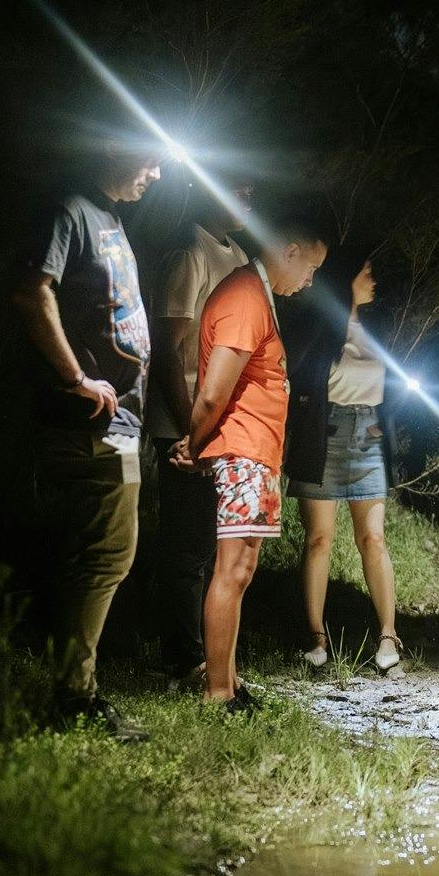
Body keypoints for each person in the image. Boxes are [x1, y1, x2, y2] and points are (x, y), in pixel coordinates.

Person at [10, 137, 161, 742]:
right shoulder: (71, 210)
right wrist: (75, 376)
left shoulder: (112, 219)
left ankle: (73, 687)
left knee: (102, 552)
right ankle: (73, 697)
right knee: (106, 552)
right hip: (90, 422)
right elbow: (31, 290)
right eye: (149, 160)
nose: (155, 174)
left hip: (122, 421)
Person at [171, 218, 329, 711]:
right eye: (312, 267)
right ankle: (218, 692)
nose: (310, 280)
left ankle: (229, 682)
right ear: (291, 248)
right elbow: (214, 390)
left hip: (256, 451)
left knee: (241, 568)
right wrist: (193, 443)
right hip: (242, 451)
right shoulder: (244, 296)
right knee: (232, 568)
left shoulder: (256, 295)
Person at [147, 179, 250, 687]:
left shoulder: (237, 253)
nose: (246, 194)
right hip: (185, 425)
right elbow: (167, 348)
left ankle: (212, 658)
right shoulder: (190, 253)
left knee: (212, 545)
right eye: (239, 186)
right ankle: (181, 660)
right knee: (186, 547)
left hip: (220, 427)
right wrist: (191, 429)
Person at [284, 254, 402, 676]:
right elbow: (296, 374)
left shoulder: (379, 327)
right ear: (346, 277)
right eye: (365, 270)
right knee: (319, 539)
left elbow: (401, 379)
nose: (373, 278)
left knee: (373, 538)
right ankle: (315, 637)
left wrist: (385, 425)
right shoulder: (320, 325)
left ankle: (388, 635)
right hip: (325, 434)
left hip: (367, 434)